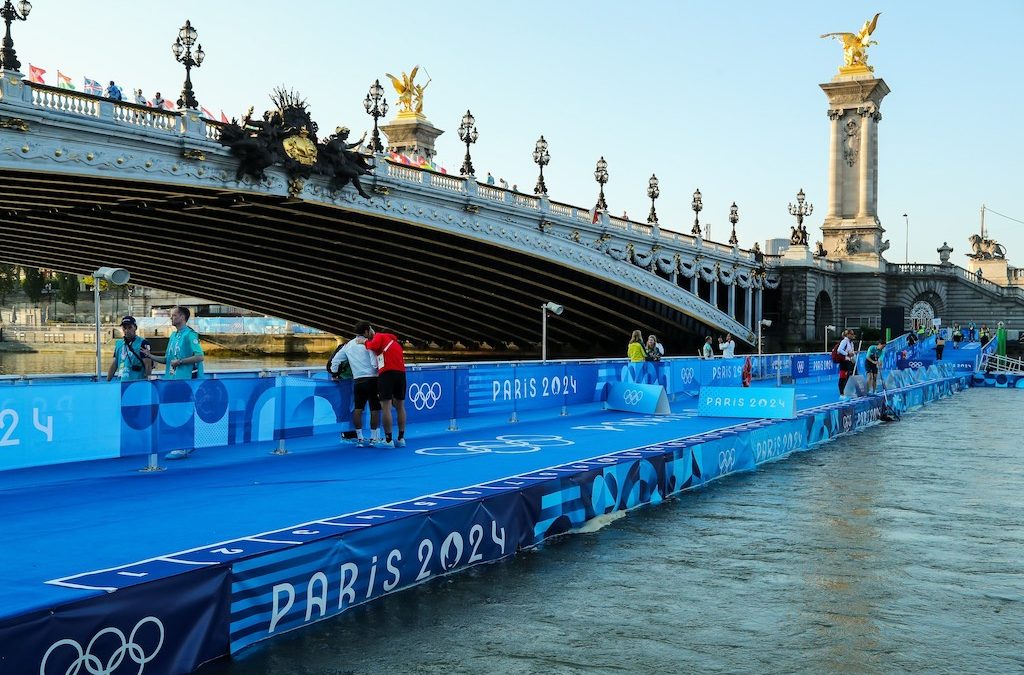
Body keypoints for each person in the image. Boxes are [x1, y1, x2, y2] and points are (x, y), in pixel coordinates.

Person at [141, 306, 205, 459]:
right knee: (175, 412)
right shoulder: (173, 336)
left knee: (183, 412)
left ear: (182, 317)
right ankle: (185, 444)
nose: (171, 318)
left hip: (186, 381)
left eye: (174, 315)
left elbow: (200, 356)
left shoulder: (190, 335)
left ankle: (184, 446)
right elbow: (168, 360)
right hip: (172, 381)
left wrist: (181, 361)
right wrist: (150, 356)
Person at [329, 321, 380, 447]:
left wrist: (335, 374)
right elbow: (374, 363)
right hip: (372, 379)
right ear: (366, 331)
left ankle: (360, 438)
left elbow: (335, 361)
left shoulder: (348, 346)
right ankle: (374, 438)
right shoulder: (368, 344)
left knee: (358, 408)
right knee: (374, 408)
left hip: (357, 381)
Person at [364, 327, 407, 448]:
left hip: (387, 374)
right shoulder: (397, 344)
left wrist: (365, 342)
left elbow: (372, 346)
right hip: (401, 374)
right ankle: (401, 438)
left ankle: (388, 440)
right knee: (400, 407)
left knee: (386, 407)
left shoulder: (380, 336)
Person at [106, 316, 152, 382]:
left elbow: (148, 365)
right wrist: (107, 382)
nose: (127, 330)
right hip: (122, 382)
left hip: (137, 382)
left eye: (130, 327)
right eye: (124, 328)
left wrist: (148, 383)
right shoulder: (119, 344)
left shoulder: (143, 343)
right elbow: (115, 364)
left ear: (135, 328)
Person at [837, 329, 856, 399]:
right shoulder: (844, 341)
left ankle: (846, 392)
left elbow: (852, 352)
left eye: (853, 334)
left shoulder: (851, 343)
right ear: (848, 335)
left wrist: (853, 357)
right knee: (842, 378)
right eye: (851, 334)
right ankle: (841, 394)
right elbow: (839, 350)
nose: (852, 335)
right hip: (843, 362)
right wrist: (847, 354)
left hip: (848, 362)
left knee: (848, 377)